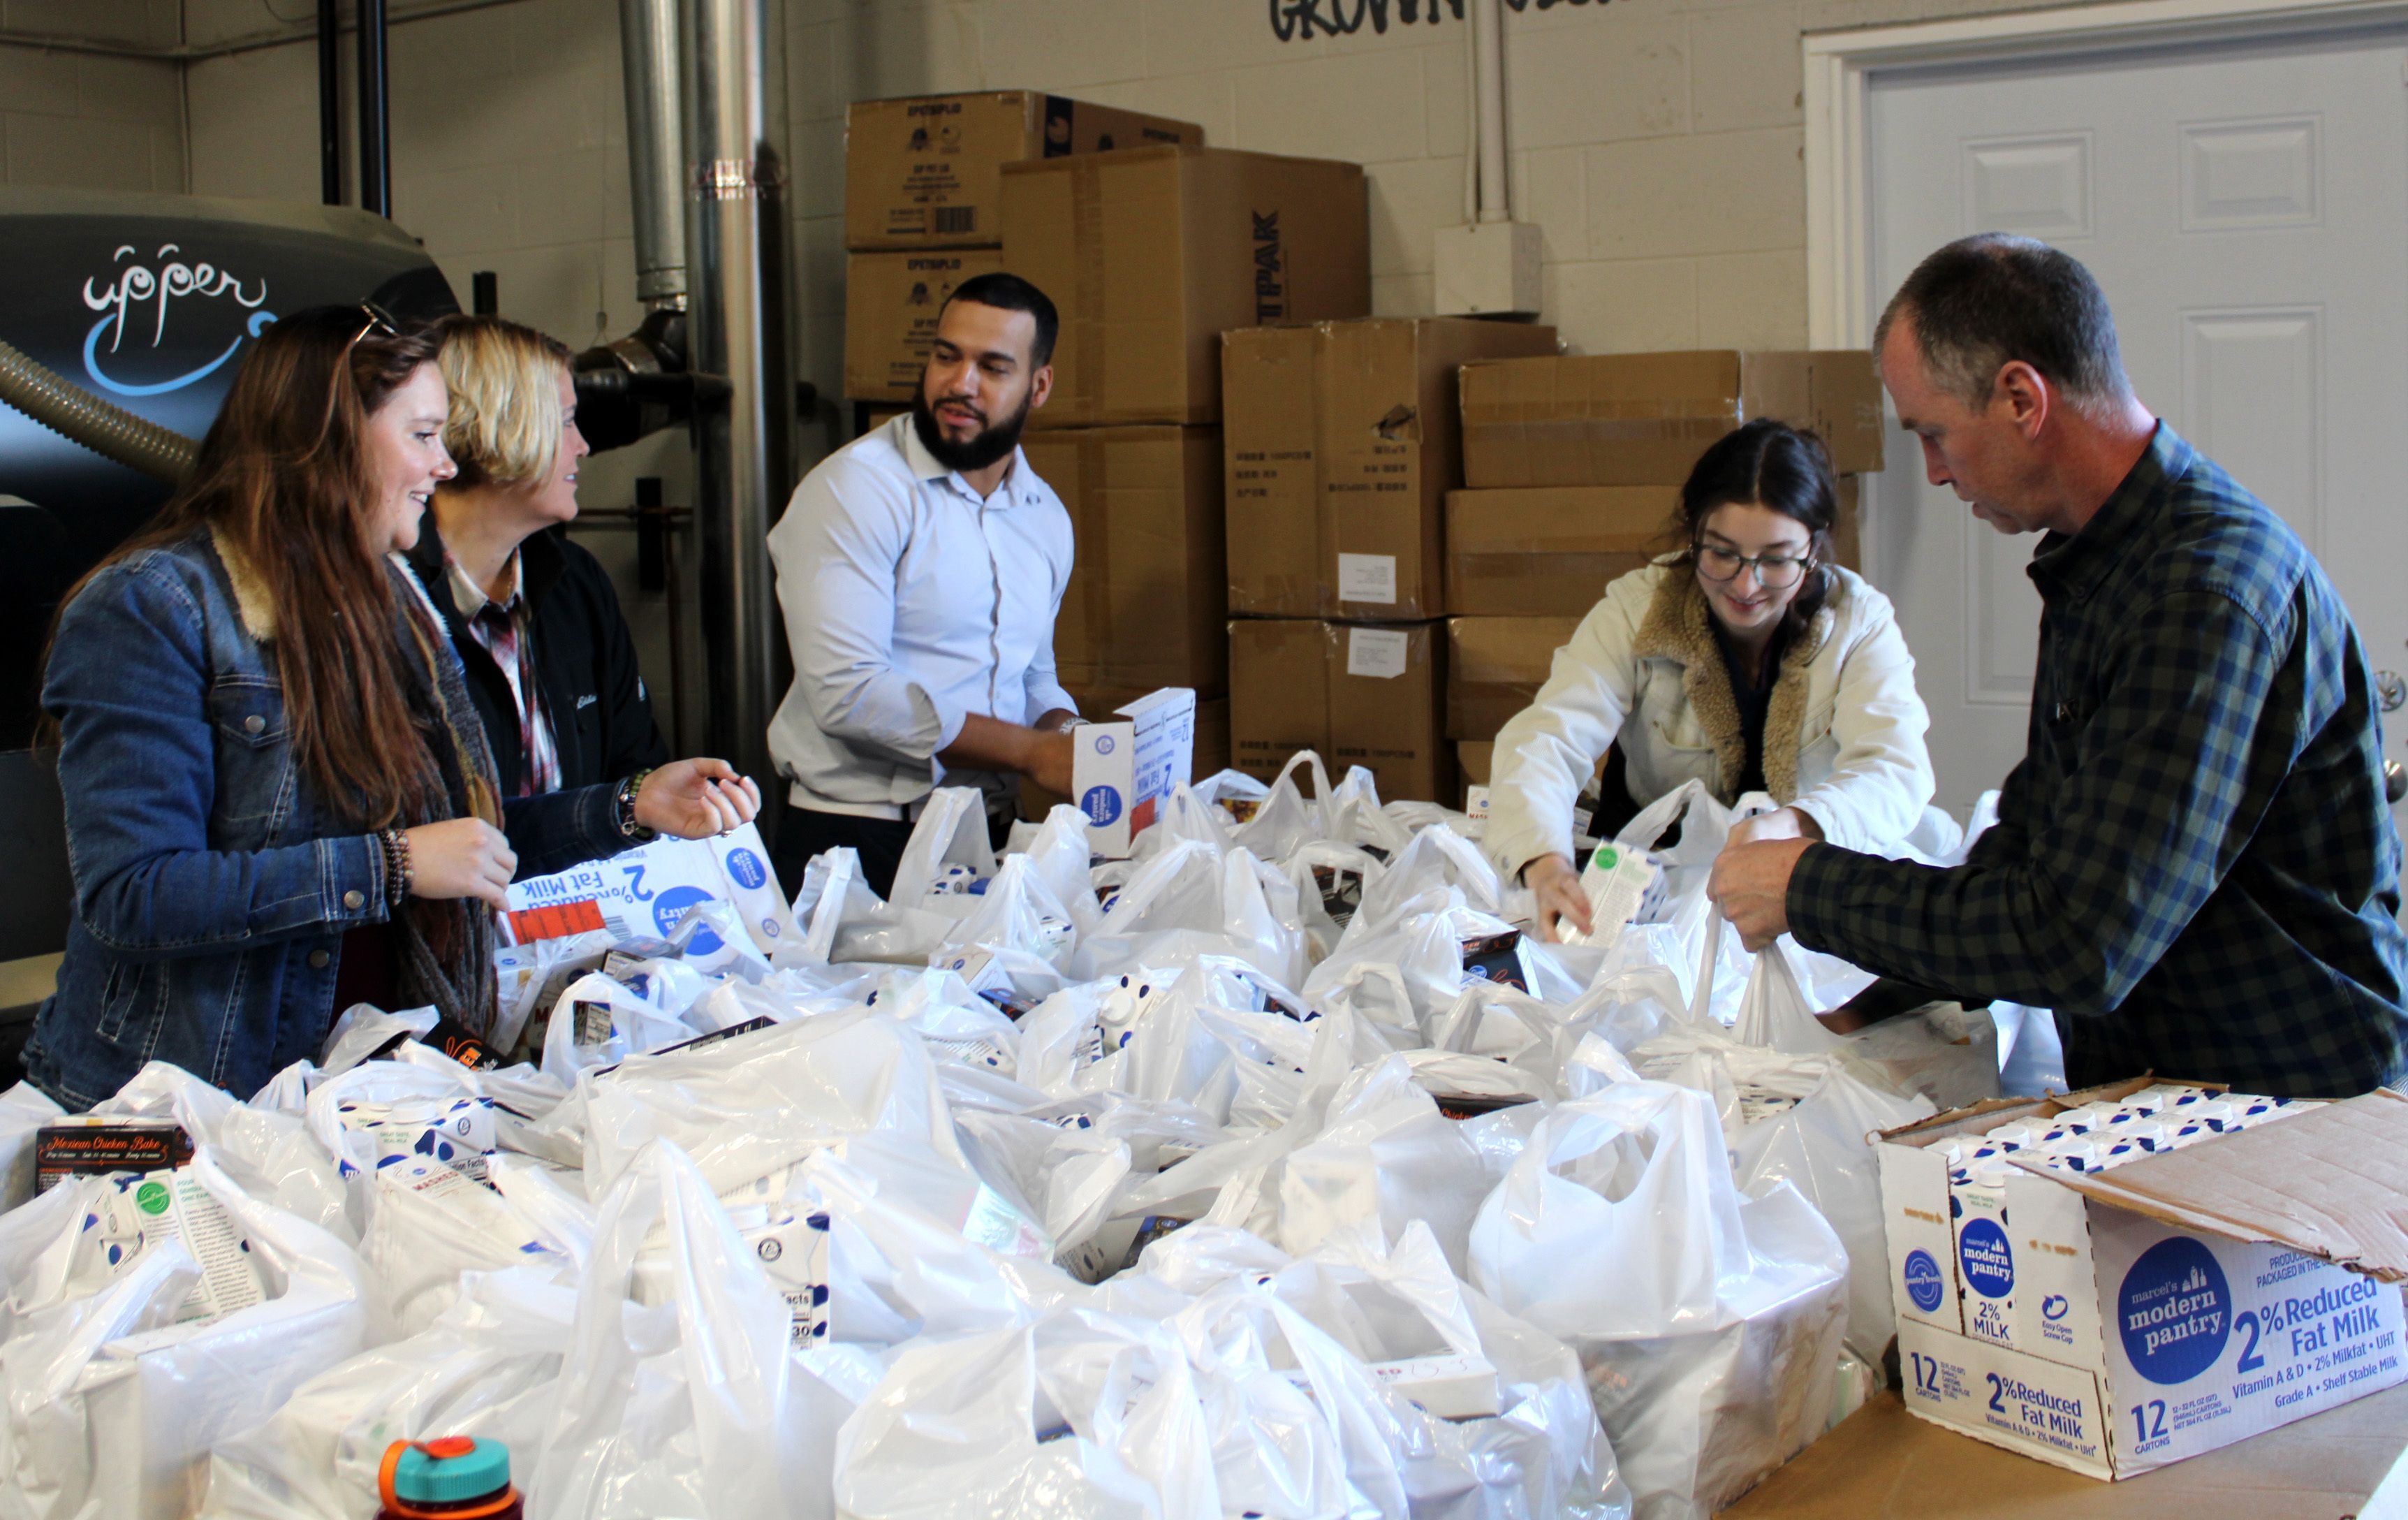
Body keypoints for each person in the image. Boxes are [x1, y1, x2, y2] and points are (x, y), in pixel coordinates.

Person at [1708, 235, 2408, 1098]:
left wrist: (1806, 887)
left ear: (2020, 398)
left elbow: (2082, 940)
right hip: (2177, 1093)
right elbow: (2034, 850)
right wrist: (1870, 1010)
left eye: (1934, 434)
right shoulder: (2104, 564)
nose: (1931, 472)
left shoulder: (2205, 593)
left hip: (2291, 1109)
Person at [26, 305, 757, 1109]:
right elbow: (136, 893)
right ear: (329, 442)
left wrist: (629, 804)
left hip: (361, 1084)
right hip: (193, 1103)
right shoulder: (151, 610)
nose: (445, 466)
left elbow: (462, 841)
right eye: (422, 436)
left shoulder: (389, 599)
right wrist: (394, 866)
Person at [1485, 419, 1937, 942]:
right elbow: (1547, 740)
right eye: (1722, 553)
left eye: (1775, 560)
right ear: (1693, 533)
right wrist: (1545, 864)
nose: (1746, 585)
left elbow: (1895, 770)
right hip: (1651, 890)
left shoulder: (1858, 621)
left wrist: (1794, 824)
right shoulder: (1637, 610)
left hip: (1795, 885)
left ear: (1812, 551)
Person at [767, 272, 1079, 898]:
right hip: (857, 843)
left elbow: (1032, 672)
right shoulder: (856, 490)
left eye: (992, 367)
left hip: (987, 838)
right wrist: (1030, 755)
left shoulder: (1043, 516)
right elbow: (849, 692)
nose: (959, 384)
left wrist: (1071, 738)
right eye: (946, 356)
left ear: (1038, 386)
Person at [406, 314, 671, 796]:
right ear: (499, 425)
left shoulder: (576, 581)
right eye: (567, 422)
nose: (583, 447)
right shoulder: (390, 597)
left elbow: (635, 769)